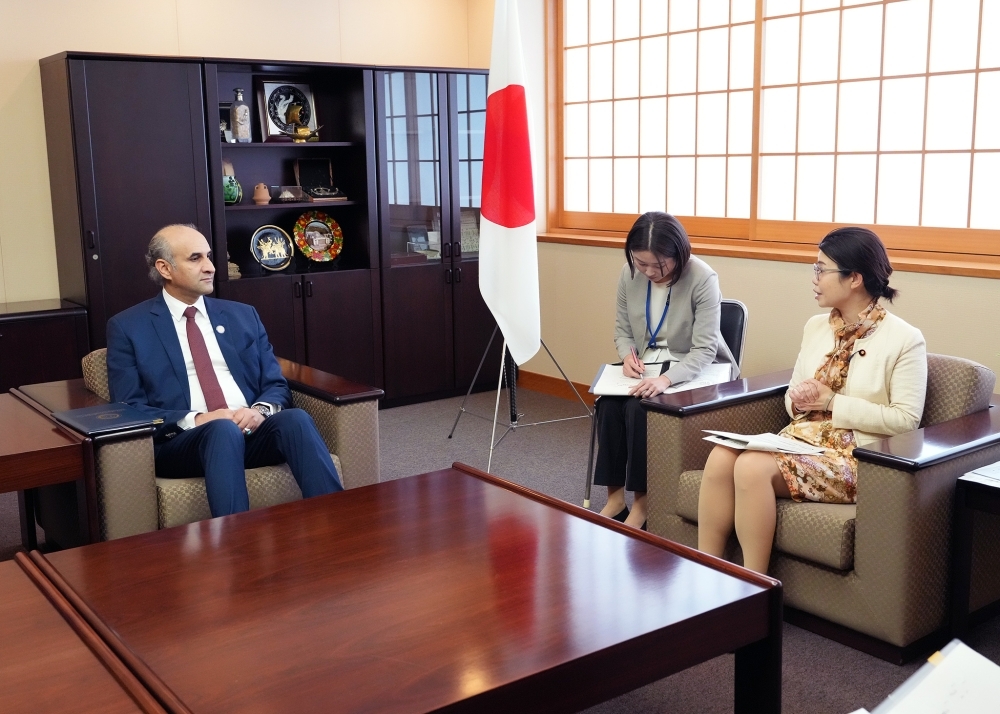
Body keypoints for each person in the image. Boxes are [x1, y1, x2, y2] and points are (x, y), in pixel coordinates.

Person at [697, 227, 927, 573]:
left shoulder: (905, 339)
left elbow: (905, 421)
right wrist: (800, 399)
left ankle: (753, 589)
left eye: (822, 269)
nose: (814, 278)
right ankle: (705, 572)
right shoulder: (816, 327)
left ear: (854, 279)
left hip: (855, 455)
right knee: (720, 456)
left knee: (751, 466)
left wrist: (831, 400)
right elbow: (793, 401)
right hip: (801, 441)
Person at [106, 224, 343, 517]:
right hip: (183, 444)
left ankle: (339, 524)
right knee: (220, 430)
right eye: (196, 258)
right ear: (165, 268)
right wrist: (200, 418)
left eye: (208, 256)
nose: (210, 267)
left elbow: (276, 384)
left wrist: (260, 411)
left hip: (250, 433)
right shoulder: (129, 327)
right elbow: (129, 408)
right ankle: (236, 545)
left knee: (295, 419)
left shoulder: (242, 316)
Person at [595, 212, 737, 529]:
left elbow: (704, 350)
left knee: (638, 408)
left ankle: (643, 506)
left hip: (691, 368)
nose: (647, 272)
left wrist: (665, 379)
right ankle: (616, 501)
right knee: (608, 404)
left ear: (678, 253)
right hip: (647, 363)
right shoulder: (629, 274)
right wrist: (627, 355)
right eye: (640, 263)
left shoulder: (702, 278)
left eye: (657, 266)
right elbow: (622, 331)